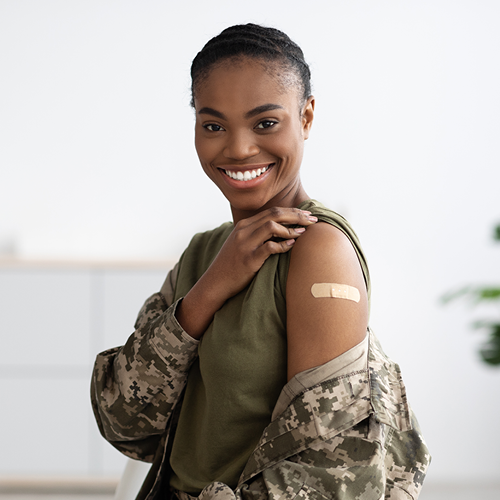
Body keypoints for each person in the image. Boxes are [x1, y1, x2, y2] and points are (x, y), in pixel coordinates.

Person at [91, 23, 430, 500]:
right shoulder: (202, 253)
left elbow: (329, 475)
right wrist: (211, 287)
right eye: (214, 126)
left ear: (306, 117)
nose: (238, 148)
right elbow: (124, 420)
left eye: (265, 123)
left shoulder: (319, 252)